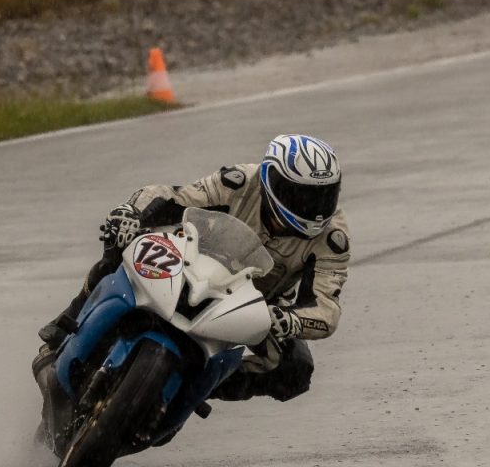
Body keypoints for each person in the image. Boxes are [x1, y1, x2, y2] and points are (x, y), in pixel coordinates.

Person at [33, 133, 350, 406]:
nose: (315, 208)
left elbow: (326, 309)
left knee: (296, 370)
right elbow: (173, 196)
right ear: (272, 181)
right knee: (121, 243)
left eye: (324, 195)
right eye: (304, 195)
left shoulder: (332, 238)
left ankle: (197, 388)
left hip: (253, 306)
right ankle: (63, 328)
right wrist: (131, 212)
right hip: (191, 263)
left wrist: (290, 320)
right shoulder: (239, 182)